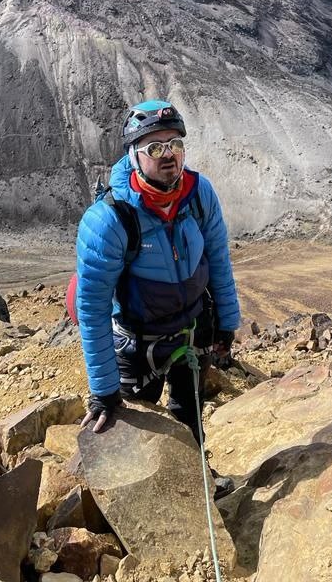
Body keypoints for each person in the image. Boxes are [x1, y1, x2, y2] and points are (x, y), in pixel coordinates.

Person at [74, 99, 241, 448]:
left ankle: (198, 473)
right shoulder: (108, 220)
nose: (168, 155)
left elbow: (218, 259)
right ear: (134, 155)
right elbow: (92, 307)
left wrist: (227, 322)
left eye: (175, 144)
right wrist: (103, 391)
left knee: (190, 420)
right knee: (134, 437)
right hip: (136, 344)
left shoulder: (199, 195)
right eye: (154, 147)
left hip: (192, 332)